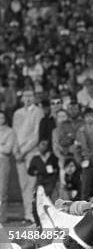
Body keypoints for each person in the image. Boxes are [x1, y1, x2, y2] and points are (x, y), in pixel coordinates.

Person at [13, 89, 44, 223]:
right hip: (19, 153)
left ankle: (33, 214)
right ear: (21, 98)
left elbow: (36, 136)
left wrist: (24, 150)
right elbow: (14, 133)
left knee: (32, 185)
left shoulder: (38, 112)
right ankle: (27, 214)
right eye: (25, 95)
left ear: (34, 97)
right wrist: (16, 151)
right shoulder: (17, 113)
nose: (27, 98)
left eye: (30, 95)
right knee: (23, 185)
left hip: (31, 152)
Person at [75, 109, 93, 199]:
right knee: (85, 188)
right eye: (87, 116)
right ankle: (84, 209)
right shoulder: (80, 131)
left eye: (91, 116)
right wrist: (80, 161)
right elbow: (76, 148)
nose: (89, 118)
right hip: (86, 161)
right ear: (84, 118)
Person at [0, 111, 17, 223]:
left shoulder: (10, 132)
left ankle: (1, 217)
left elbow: (8, 149)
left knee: (2, 190)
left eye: (1, 117)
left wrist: (3, 146)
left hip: (3, 161)